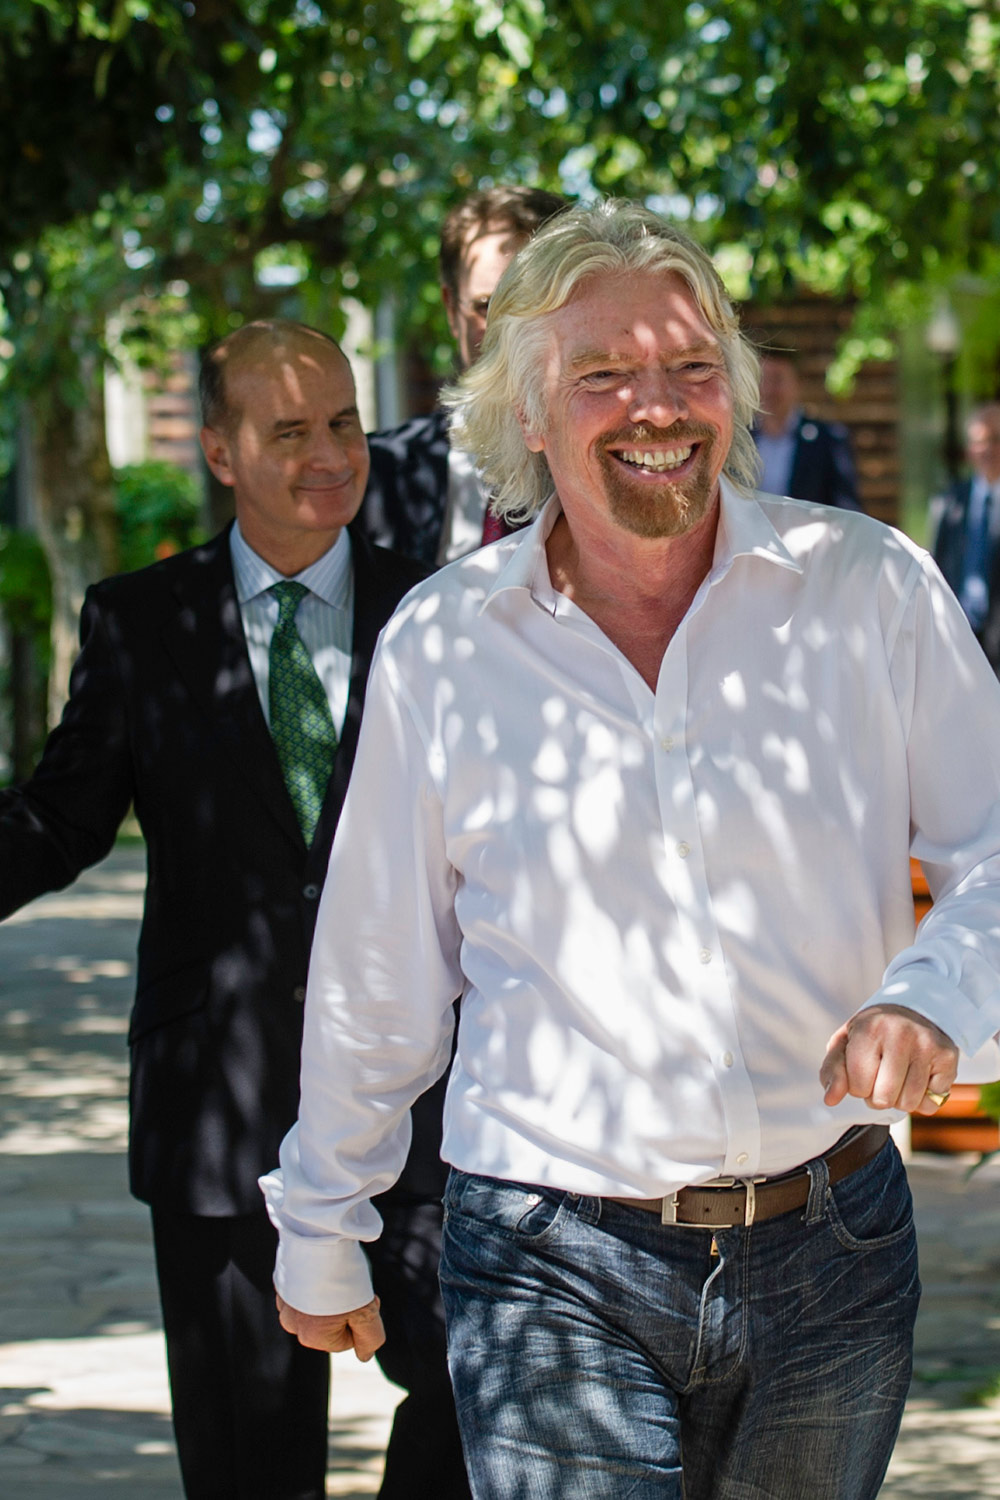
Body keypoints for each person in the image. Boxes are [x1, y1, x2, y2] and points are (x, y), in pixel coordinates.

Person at [262, 205, 1000, 1499]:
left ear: (738, 391)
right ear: (526, 416)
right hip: (546, 1255)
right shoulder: (444, 650)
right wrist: (326, 1220)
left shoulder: (869, 591)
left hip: (834, 1244)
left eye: (689, 367)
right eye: (602, 375)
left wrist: (933, 994)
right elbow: (377, 974)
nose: (655, 407)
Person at [0, 321, 469, 1500]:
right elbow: (60, 822)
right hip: (217, 1111)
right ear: (219, 450)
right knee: (247, 1472)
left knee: (474, 1401)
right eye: (289, 431)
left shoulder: (446, 619)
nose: (329, 456)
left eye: (344, 425)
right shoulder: (141, 625)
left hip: (426, 1110)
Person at [358, 184, 568, 563]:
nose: (509, 329)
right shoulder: (373, 473)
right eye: (486, 305)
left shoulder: (621, 459)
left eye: (533, 303)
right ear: (451, 308)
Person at [931, 401, 1000, 667]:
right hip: (959, 637)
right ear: (970, 449)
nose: (988, 449)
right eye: (980, 441)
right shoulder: (949, 501)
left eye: (995, 439)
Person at [753, 349, 862, 510]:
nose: (768, 390)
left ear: (798, 384)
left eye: (777, 380)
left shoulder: (829, 440)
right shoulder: (737, 439)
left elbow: (847, 506)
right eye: (762, 380)